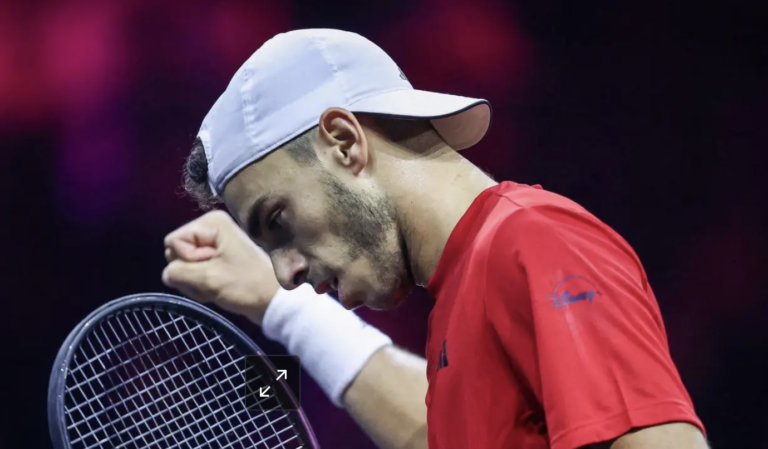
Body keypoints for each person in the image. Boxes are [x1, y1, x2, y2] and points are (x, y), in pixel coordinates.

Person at [162, 29, 708, 449]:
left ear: (345, 143)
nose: (285, 273)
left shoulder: (533, 241)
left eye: (277, 220)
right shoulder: (465, 293)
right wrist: (281, 310)